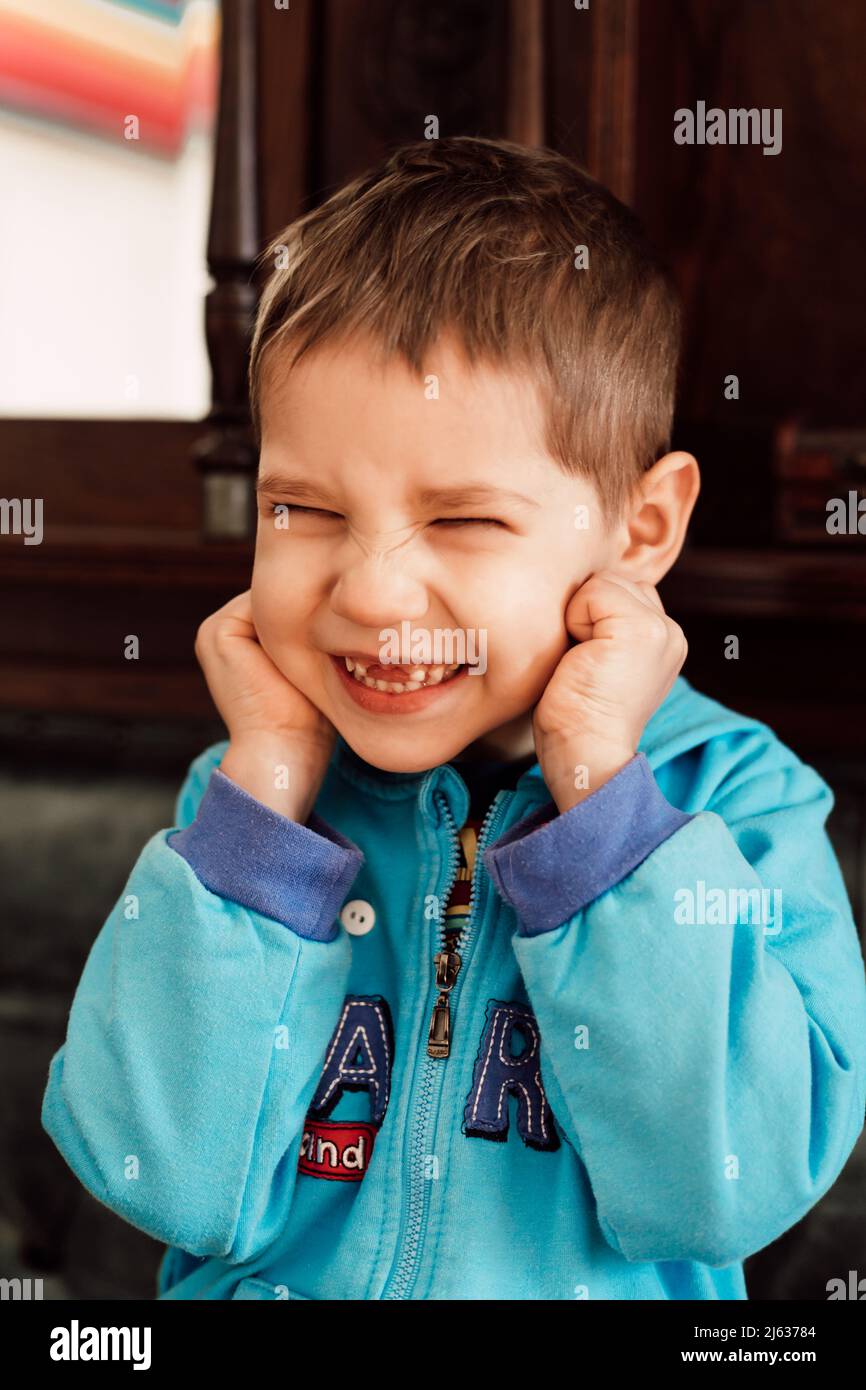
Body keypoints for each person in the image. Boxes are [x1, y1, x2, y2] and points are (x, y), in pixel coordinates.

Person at [42, 136, 866, 1300]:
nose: (370, 591)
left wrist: (599, 803)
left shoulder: (741, 802)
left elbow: (722, 1183)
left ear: (638, 532)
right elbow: (157, 1176)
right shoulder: (244, 809)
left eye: (465, 521)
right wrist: (265, 796)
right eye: (304, 508)